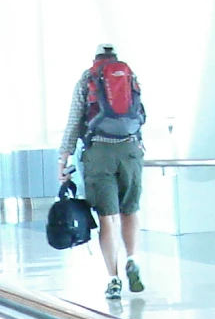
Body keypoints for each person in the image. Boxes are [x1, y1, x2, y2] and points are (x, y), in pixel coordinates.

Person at [58, 44, 148, 303]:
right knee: (130, 210)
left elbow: (74, 121)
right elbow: (140, 115)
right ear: (116, 58)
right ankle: (132, 258)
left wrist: (62, 160)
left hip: (99, 153)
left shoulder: (87, 79)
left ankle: (114, 278)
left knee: (107, 218)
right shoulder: (130, 76)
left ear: (95, 58)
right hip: (130, 151)